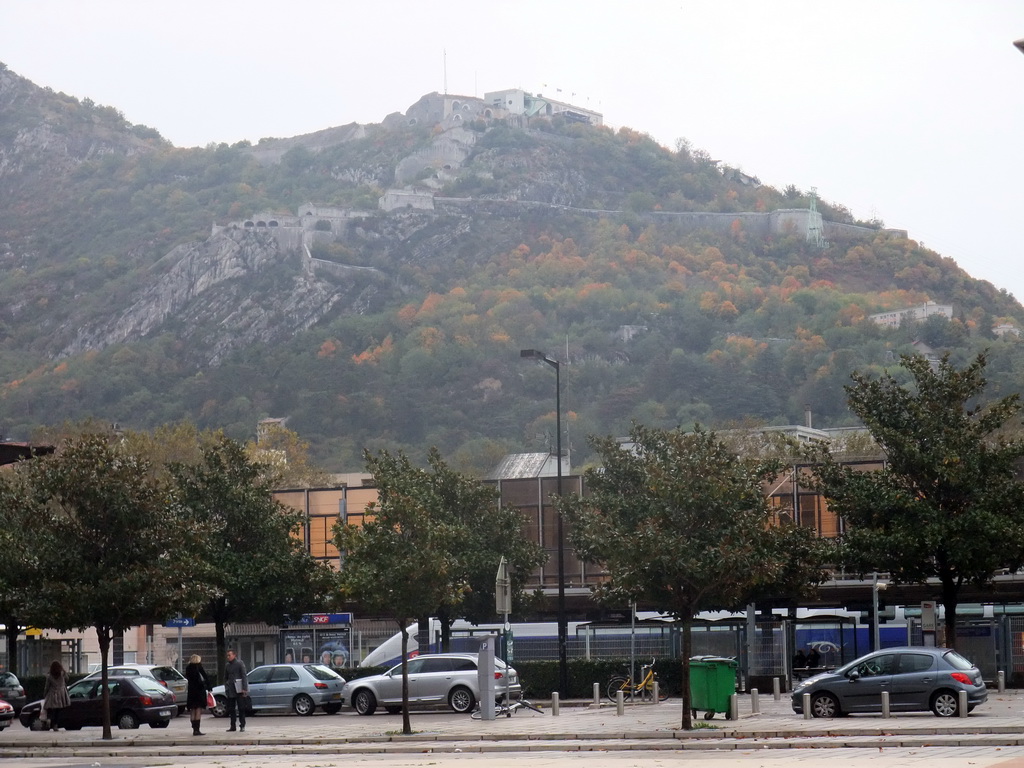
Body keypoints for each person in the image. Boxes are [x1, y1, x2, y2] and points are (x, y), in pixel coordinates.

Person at [184, 654, 212, 736]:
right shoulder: (198, 667)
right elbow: (205, 677)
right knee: (198, 710)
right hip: (199, 691)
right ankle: (197, 729)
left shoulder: (188, 668)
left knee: (193, 710)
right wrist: (208, 686)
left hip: (191, 691)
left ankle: (193, 728)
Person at [223, 649, 248, 733]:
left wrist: (244, 688)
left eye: (229, 655)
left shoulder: (240, 663)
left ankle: (242, 725)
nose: (228, 657)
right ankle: (232, 725)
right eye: (227, 655)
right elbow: (225, 677)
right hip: (231, 689)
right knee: (231, 708)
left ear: (234, 655)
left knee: (241, 708)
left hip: (239, 688)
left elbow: (244, 676)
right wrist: (226, 685)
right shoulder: (227, 665)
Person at [43, 660, 70, 732]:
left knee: (50, 709)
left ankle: (49, 720)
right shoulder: (63, 674)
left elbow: (47, 687)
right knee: (58, 711)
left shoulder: (49, 676)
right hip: (61, 694)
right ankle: (55, 725)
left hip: (52, 694)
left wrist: (45, 694)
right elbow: (67, 679)